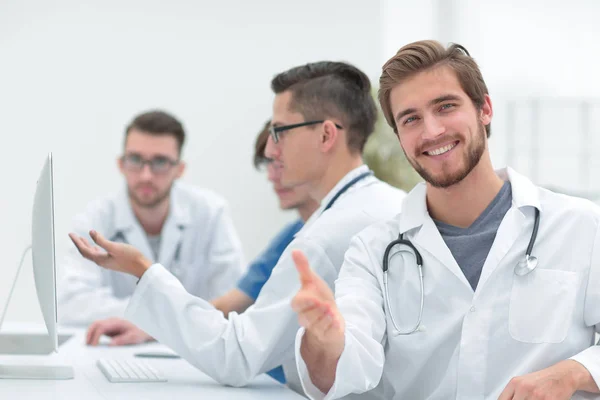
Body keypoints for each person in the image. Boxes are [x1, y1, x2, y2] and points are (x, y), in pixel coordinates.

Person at [68, 61, 407, 393]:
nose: (271, 149)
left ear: (325, 135)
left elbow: (238, 356)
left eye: (279, 132)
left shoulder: (324, 237)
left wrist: (142, 269)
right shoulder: (387, 202)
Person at [291, 40, 600, 399]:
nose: (432, 131)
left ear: (484, 108)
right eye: (411, 119)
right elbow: (342, 368)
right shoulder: (373, 252)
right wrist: (324, 341)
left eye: (446, 106)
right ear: (399, 136)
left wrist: (574, 372)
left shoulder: (582, 228)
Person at [85, 120, 319, 385]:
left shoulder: (321, 234)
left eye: (281, 164)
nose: (272, 176)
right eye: (269, 165)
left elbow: (234, 333)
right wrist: (151, 325)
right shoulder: (289, 238)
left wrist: (143, 273)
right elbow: (227, 305)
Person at [58, 110, 246, 327]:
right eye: (136, 160)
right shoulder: (94, 220)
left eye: (160, 162)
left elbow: (234, 300)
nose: (146, 175)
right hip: (116, 350)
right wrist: (170, 316)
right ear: (121, 164)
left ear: (179, 169)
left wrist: (148, 319)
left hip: (193, 355)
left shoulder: (211, 213)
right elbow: (72, 305)